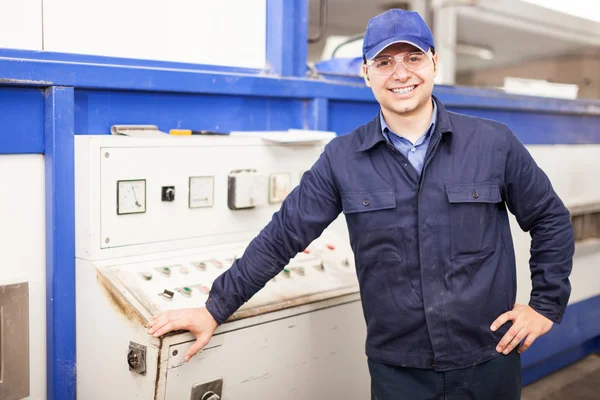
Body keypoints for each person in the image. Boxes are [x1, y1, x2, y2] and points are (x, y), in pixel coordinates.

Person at [148, 9, 574, 399]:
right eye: (385, 62)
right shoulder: (342, 159)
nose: (400, 73)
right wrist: (213, 308)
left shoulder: (492, 143)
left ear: (434, 64)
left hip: (488, 360)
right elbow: (282, 237)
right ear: (366, 74)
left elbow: (550, 218)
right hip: (399, 371)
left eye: (413, 58)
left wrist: (544, 307)